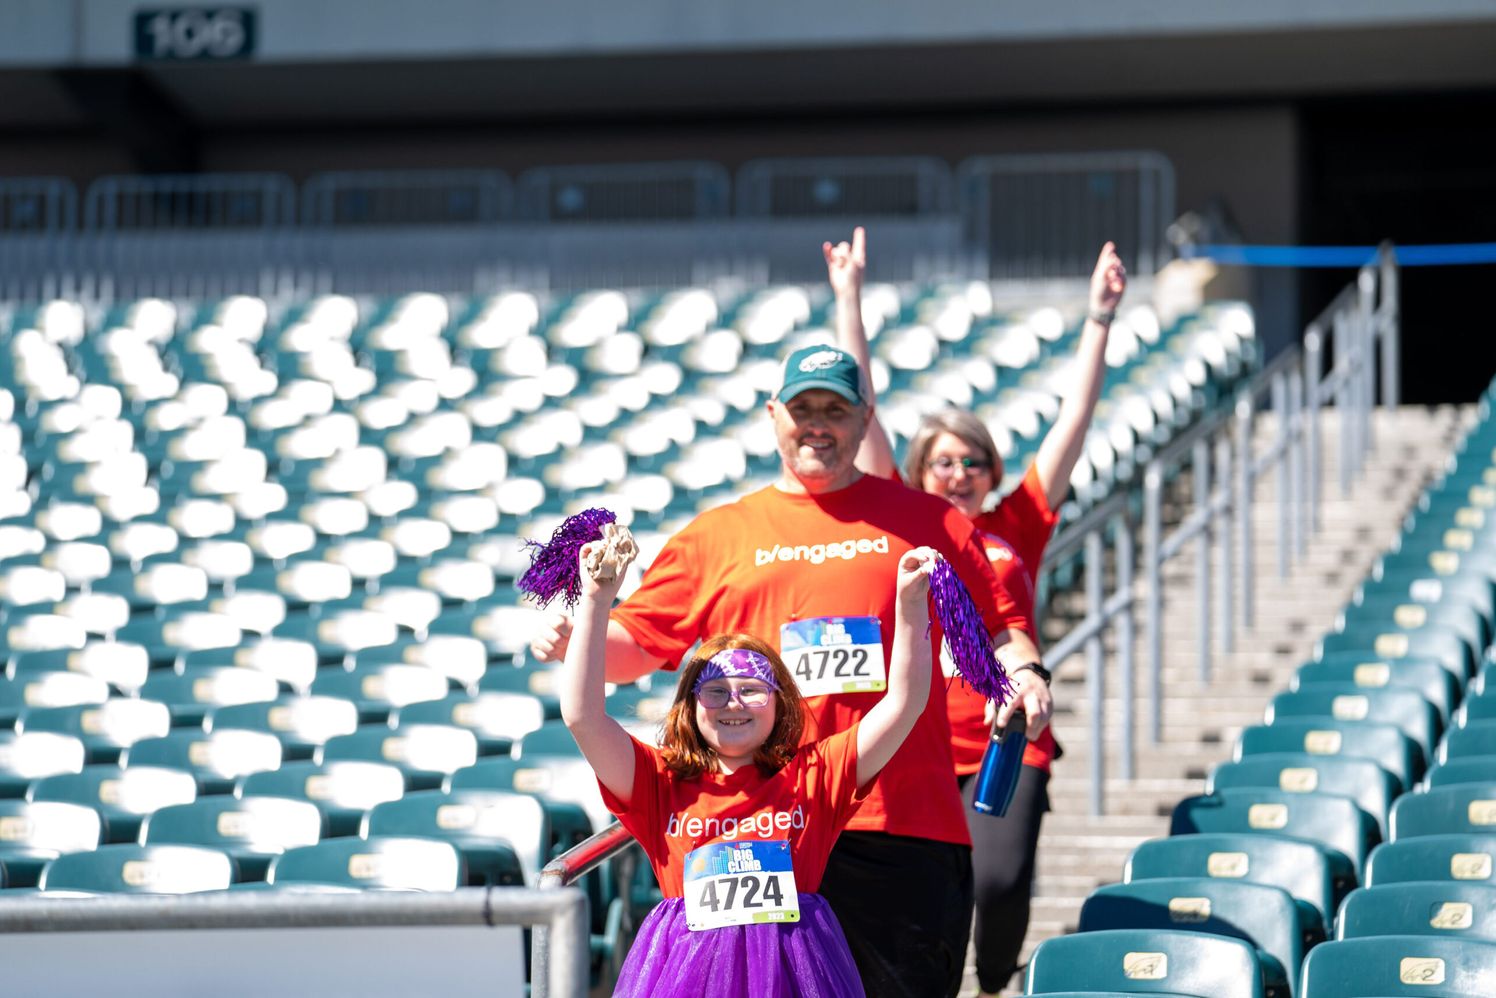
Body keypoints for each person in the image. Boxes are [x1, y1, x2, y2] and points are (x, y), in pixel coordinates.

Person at [532, 342, 1042, 997]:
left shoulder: (930, 521)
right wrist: (582, 636)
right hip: (762, 829)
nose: (819, 424)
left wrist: (1026, 676)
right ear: (774, 415)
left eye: (836, 408)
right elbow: (636, 647)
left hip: (899, 826)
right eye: (804, 409)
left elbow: (1003, 627)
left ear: (866, 419)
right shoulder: (718, 535)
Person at [824, 227, 1126, 996]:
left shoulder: (1017, 521)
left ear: (990, 471)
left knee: (997, 882)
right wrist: (848, 301)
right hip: (919, 741)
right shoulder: (905, 521)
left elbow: (1074, 422)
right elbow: (864, 409)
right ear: (919, 472)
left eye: (972, 461)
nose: (958, 474)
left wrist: (1098, 320)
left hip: (1007, 737)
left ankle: (996, 979)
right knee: (938, 894)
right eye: (943, 461)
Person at [560, 519, 941, 997]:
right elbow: (582, 716)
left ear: (781, 702)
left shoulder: (816, 775)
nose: (733, 704)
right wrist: (597, 601)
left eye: (752, 691)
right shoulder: (656, 781)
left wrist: (910, 605)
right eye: (715, 691)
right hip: (682, 976)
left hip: (797, 976)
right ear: (689, 707)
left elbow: (904, 702)